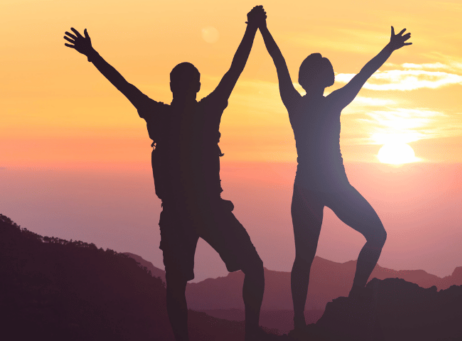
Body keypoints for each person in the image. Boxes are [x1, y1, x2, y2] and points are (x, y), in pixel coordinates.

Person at [64, 6, 267, 341]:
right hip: (207, 210)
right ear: (197, 86)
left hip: (179, 214)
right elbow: (235, 69)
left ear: (172, 86)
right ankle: (250, 334)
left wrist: (92, 54)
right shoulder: (207, 111)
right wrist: (252, 28)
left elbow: (122, 84)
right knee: (252, 269)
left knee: (177, 285)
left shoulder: (158, 115)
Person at [254, 10, 411, 328]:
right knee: (374, 236)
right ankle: (349, 297)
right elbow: (363, 74)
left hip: (312, 190)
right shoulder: (330, 102)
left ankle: (304, 319)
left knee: (305, 258)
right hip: (331, 188)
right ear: (320, 77)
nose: (330, 70)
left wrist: (263, 29)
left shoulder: (297, 103)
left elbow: (279, 61)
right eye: (325, 67)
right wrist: (389, 48)